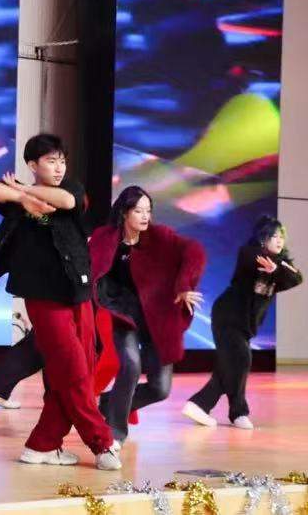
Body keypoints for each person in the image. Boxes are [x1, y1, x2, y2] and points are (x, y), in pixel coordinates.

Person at [0, 134, 120, 470]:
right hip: (43, 297)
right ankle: (101, 443)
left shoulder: (71, 189)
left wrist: (25, 192)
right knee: (72, 370)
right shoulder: (17, 198)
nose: (59, 168)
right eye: (51, 161)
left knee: (77, 370)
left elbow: (67, 202)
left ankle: (42, 444)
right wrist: (20, 197)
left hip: (78, 292)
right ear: (32, 164)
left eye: (62, 161)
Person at [91, 186, 206, 448]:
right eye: (138, 211)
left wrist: (184, 284)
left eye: (148, 210)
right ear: (124, 213)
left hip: (157, 318)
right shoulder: (105, 238)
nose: (145, 216)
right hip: (123, 313)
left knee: (160, 389)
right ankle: (115, 433)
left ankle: (109, 403)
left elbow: (195, 250)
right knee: (130, 365)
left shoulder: (161, 236)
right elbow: (91, 267)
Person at [183, 215, 302, 430]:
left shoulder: (281, 267)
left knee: (230, 365)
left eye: (281, 237)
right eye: (274, 236)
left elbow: (297, 278)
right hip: (228, 316)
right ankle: (236, 412)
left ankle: (202, 406)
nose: (279, 240)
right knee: (241, 359)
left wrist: (276, 270)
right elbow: (253, 259)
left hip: (246, 324)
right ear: (263, 238)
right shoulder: (249, 252)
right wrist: (276, 267)